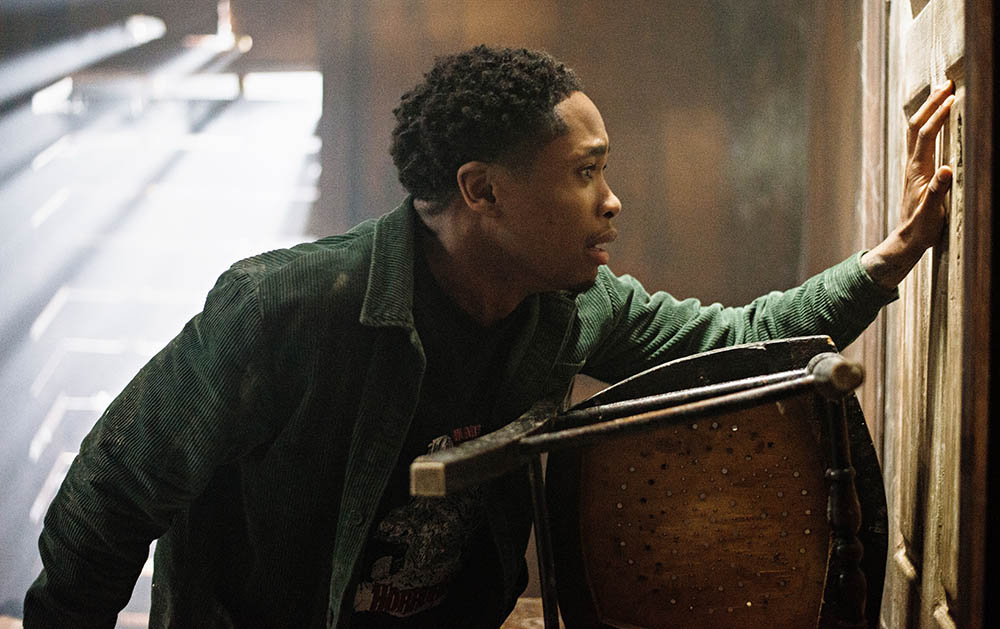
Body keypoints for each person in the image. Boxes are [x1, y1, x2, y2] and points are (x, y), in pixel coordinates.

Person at [24, 45, 954, 628]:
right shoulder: (283, 308)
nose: (613, 201)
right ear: (482, 191)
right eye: (586, 172)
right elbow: (112, 491)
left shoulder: (575, 307)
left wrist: (895, 253)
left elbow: (746, 344)